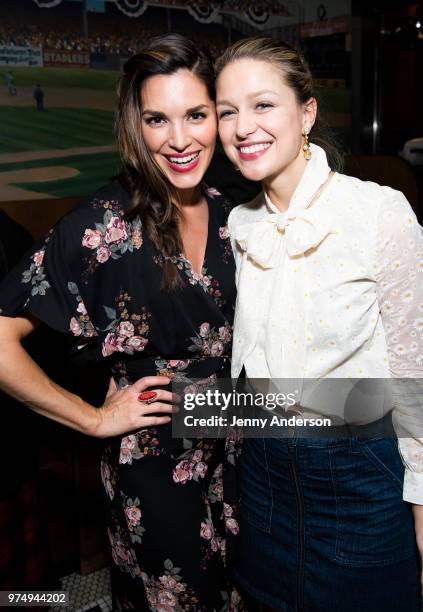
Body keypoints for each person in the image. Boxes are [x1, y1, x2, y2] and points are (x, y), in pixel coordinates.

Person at [0, 34, 241, 611]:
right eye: (158, 119)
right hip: (155, 462)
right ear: (136, 126)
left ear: (218, 117)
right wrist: (90, 419)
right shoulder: (102, 226)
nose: (179, 140)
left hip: (239, 446)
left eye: (196, 115)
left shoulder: (236, 211)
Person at [215, 37, 422, 611]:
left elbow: (414, 375)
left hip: (359, 477)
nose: (242, 126)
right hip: (263, 476)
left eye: (262, 105)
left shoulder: (379, 212)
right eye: (228, 111)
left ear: (306, 113)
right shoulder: (239, 222)